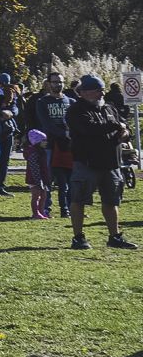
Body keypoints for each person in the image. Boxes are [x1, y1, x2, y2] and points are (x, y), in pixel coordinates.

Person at [64, 75, 133, 249]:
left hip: (111, 163)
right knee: (79, 200)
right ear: (84, 92)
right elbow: (90, 128)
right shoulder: (76, 110)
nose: (102, 93)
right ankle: (78, 238)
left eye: (102, 89)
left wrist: (125, 133)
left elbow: (125, 127)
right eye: (97, 90)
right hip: (87, 163)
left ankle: (114, 237)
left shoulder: (109, 108)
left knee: (111, 201)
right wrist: (117, 126)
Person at [27, 72, 74, 216]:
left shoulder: (70, 101)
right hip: (49, 145)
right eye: (54, 82)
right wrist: (64, 134)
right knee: (47, 178)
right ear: (48, 83)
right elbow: (46, 124)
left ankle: (69, 208)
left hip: (68, 145)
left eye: (60, 81)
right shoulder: (43, 102)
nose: (57, 84)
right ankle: (45, 208)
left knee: (69, 179)